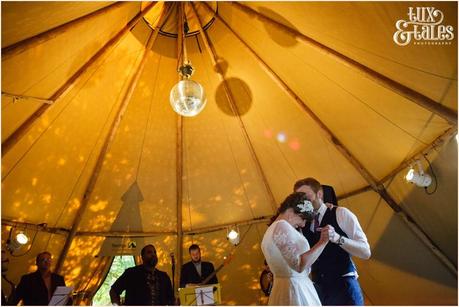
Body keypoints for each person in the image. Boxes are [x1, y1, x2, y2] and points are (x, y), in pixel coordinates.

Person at [294, 177, 371, 305]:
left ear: (319, 194)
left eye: (306, 197)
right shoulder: (303, 224)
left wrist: (338, 239)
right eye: (299, 198)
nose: (303, 202)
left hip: (344, 287)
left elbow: (365, 252)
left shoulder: (341, 214)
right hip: (319, 291)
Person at [261, 192, 332, 305]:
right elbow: (299, 265)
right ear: (290, 212)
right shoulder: (281, 226)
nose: (303, 224)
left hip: (282, 289)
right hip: (296, 290)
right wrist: (323, 242)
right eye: (303, 218)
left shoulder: (270, 231)